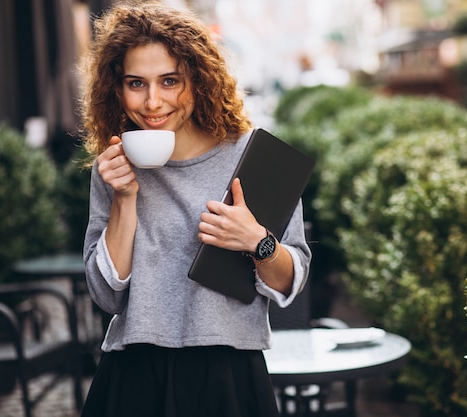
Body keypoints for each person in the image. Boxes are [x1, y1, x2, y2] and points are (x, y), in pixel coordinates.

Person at [78, 1, 311, 416]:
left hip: (229, 372)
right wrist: (124, 200)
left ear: (199, 80)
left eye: (170, 81)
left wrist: (257, 242)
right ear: (117, 88)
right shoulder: (115, 166)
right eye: (137, 83)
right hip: (134, 371)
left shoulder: (253, 156)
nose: (153, 102)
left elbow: (290, 282)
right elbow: (106, 296)